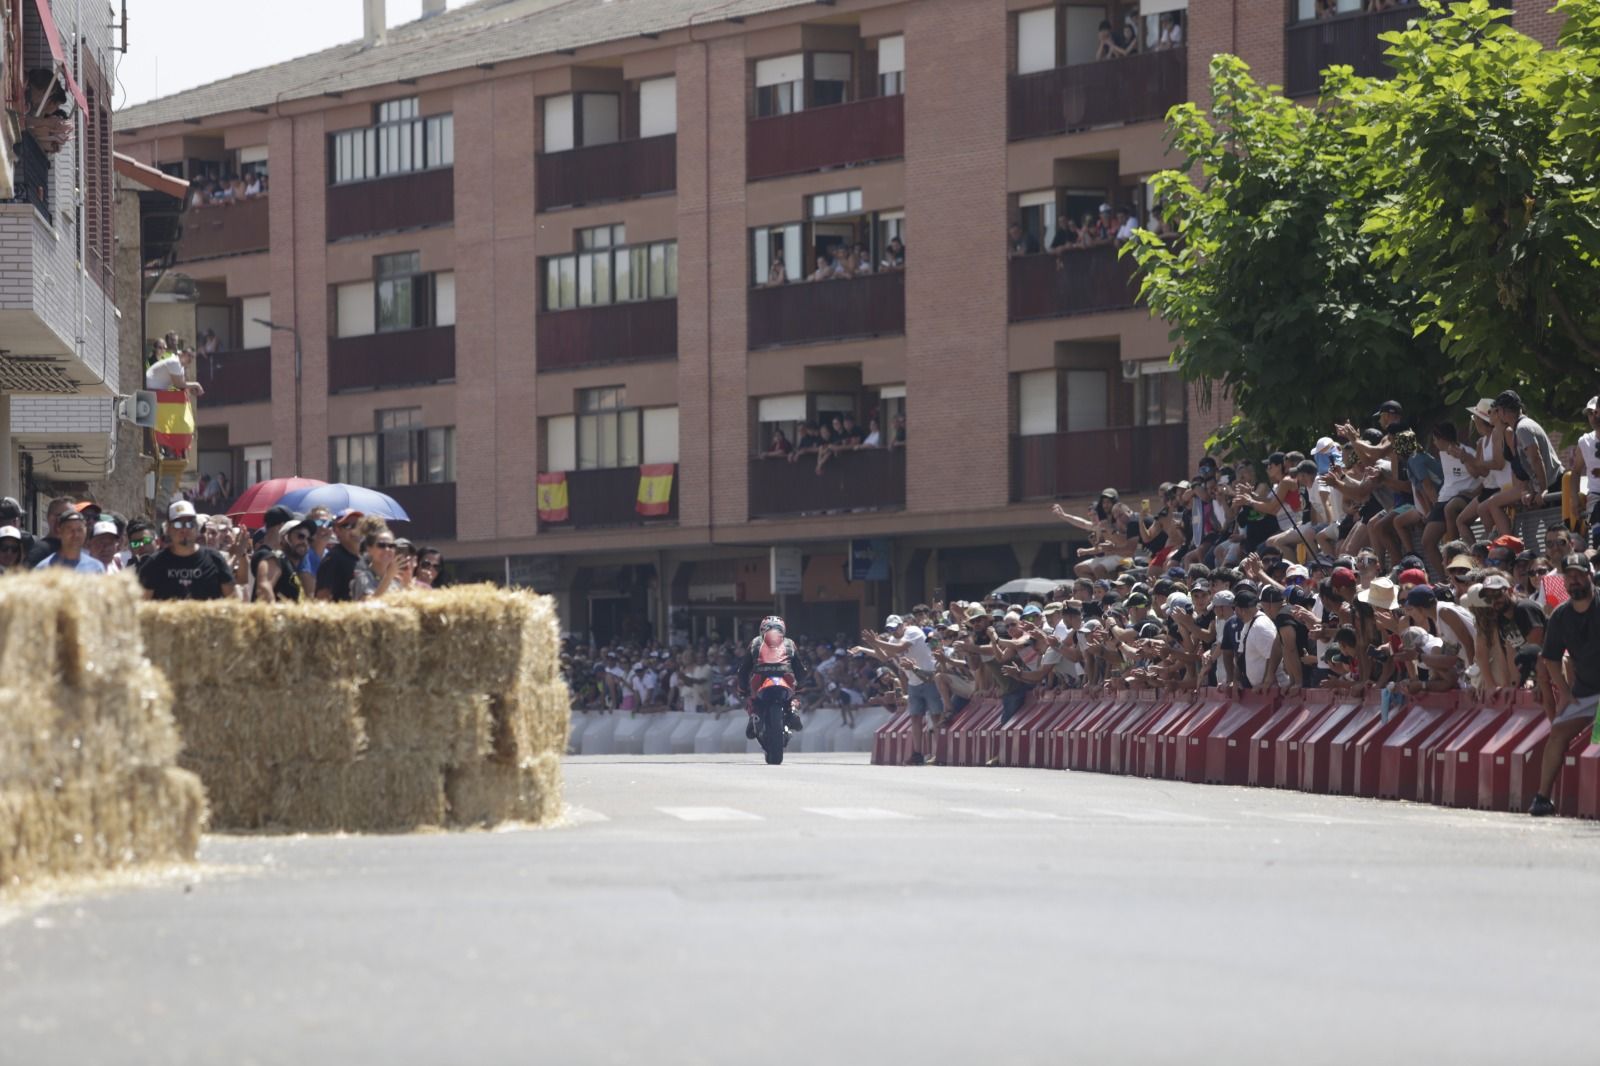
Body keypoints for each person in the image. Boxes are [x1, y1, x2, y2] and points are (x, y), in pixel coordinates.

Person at [1529, 554, 1600, 816]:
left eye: (1579, 575)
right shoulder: (1560, 616)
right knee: (1558, 732)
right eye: (1569, 576)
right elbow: (1550, 659)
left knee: (1599, 733)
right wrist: (1566, 692)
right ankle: (1542, 798)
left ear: (1590, 575)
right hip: (1585, 691)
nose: (1574, 581)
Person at [139, 501, 241, 600]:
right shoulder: (155, 564)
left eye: (189, 524)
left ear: (196, 528)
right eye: (178, 524)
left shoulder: (215, 559)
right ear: (169, 529)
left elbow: (233, 601)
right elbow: (140, 605)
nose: (184, 529)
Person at [735, 616, 807, 740]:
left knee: (750, 697)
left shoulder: (755, 642)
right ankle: (793, 709)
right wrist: (800, 686)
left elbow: (743, 669)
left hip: (760, 677)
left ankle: (753, 715)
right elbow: (800, 668)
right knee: (796, 695)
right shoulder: (790, 643)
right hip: (786, 676)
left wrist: (742, 689)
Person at [314, 510, 365, 602]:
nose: (356, 530)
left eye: (360, 525)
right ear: (337, 530)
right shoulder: (333, 559)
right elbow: (322, 599)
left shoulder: (364, 558)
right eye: (350, 526)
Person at [33, 509, 105, 574]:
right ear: (60, 531)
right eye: (70, 530)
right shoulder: (44, 569)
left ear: (85, 532)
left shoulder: (96, 568)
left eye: (79, 530)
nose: (75, 534)